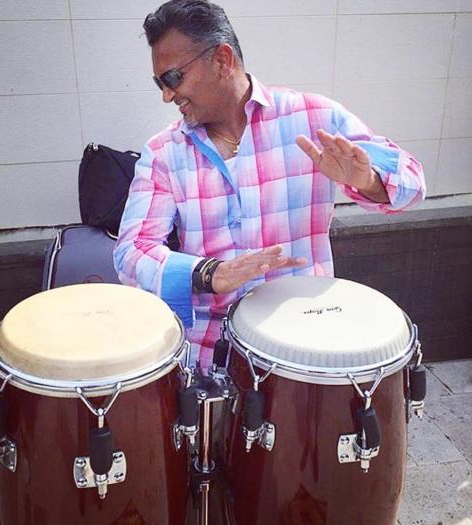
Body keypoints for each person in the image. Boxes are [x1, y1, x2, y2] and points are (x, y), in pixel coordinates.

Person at [113, 0, 426, 371]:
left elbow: (412, 181)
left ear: (222, 60)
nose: (167, 95)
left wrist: (368, 180)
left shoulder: (314, 118)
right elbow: (131, 252)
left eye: (173, 78)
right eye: (160, 83)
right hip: (211, 352)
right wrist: (209, 273)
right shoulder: (164, 152)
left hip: (308, 344)